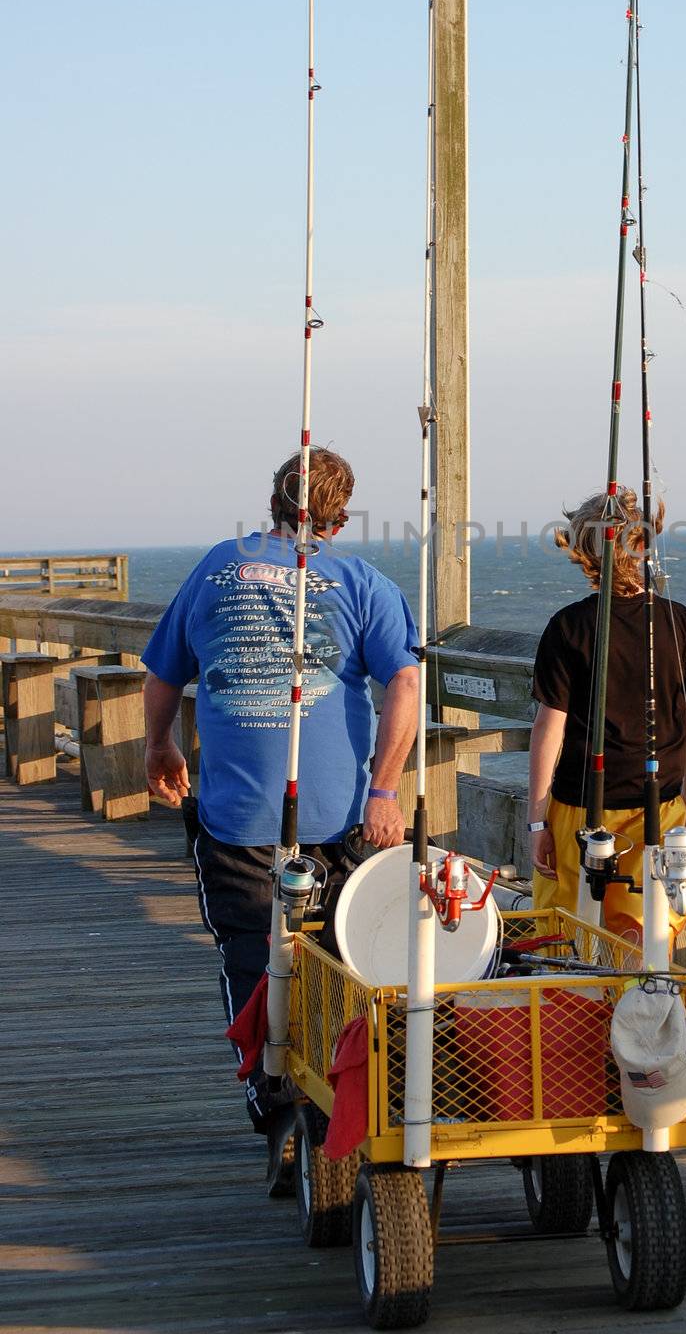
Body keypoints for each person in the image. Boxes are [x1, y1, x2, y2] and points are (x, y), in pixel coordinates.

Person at [141, 447, 418, 1192]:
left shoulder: (215, 568)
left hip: (238, 814)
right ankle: (347, 1089)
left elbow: (165, 670)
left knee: (250, 953)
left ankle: (274, 1102)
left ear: (273, 500)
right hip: (341, 815)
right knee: (348, 956)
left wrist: (159, 744)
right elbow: (405, 680)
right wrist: (384, 790)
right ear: (339, 514)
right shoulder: (362, 583)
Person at [529, 488, 686, 955]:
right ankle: (646, 1005)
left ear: (585, 553)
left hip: (580, 810)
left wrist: (537, 820)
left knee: (571, 939)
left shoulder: (568, 627)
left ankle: (582, 1021)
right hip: (662, 809)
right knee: (649, 937)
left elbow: (549, 729)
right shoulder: (679, 621)